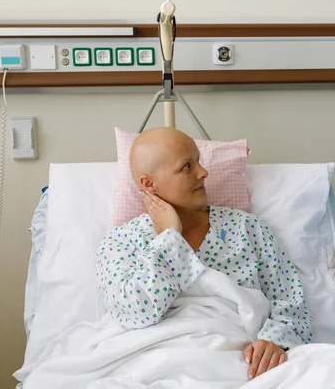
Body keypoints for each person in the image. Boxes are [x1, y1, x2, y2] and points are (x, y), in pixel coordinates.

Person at [95, 127, 312, 380]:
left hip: (241, 362)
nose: (203, 172)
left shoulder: (247, 229)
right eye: (187, 167)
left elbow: (291, 302)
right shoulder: (120, 242)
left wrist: (274, 341)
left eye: (198, 161)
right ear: (148, 184)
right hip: (151, 361)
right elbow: (135, 313)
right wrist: (169, 237)